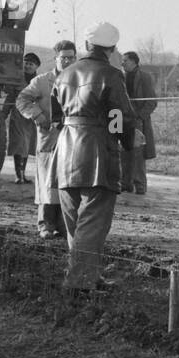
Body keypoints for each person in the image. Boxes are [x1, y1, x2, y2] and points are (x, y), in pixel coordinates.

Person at [51, 23, 138, 292]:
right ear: (111, 49)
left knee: (74, 222)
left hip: (66, 152)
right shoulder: (111, 75)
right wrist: (125, 141)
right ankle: (79, 282)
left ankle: (88, 275)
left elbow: (57, 119)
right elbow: (119, 117)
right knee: (93, 222)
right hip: (98, 154)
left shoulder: (64, 73)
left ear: (87, 45)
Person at [16, 40, 78, 238]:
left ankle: (64, 224)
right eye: (63, 58)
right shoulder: (42, 81)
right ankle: (45, 225)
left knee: (68, 182)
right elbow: (22, 100)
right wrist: (38, 116)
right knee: (46, 182)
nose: (67, 61)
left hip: (73, 141)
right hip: (49, 139)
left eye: (71, 57)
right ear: (55, 59)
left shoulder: (81, 80)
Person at [120, 51, 158, 195]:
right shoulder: (120, 77)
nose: (122, 63)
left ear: (134, 62)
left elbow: (151, 102)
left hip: (138, 122)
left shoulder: (145, 77)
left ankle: (140, 186)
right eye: (122, 61)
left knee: (138, 155)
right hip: (121, 120)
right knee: (122, 152)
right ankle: (125, 184)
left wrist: (139, 117)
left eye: (125, 60)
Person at [4, 53, 40, 183]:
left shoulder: (38, 81)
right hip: (18, 115)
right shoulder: (17, 79)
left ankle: (23, 175)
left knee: (27, 145)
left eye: (31, 64)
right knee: (19, 145)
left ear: (36, 67)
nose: (28, 66)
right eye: (26, 63)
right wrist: (4, 113)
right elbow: (10, 97)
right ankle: (18, 175)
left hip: (31, 118)